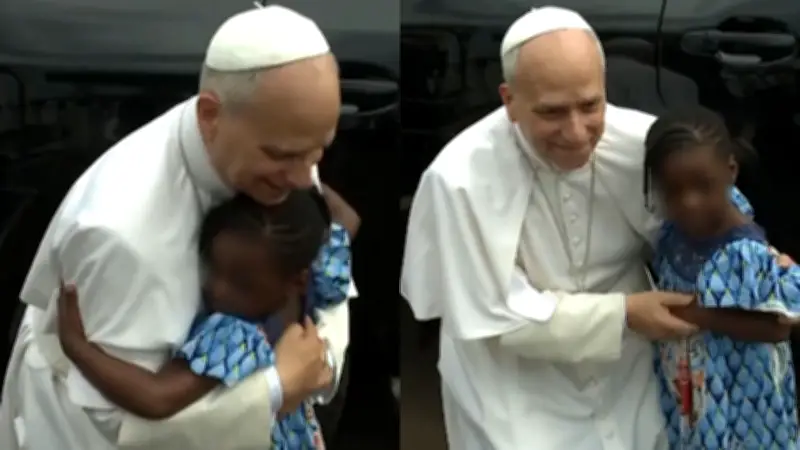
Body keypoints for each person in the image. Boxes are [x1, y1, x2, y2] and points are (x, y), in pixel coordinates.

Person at [400, 6, 792, 450]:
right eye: (552, 113)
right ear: (509, 102)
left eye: (590, 105)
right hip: (513, 378)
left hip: (627, 367)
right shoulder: (458, 179)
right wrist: (622, 314)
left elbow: (715, 214)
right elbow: (493, 316)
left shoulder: (640, 141)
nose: (577, 132)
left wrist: (761, 257)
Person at [0, 5, 357, 450]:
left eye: (318, 152)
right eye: (284, 155)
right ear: (210, 115)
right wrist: (275, 387)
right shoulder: (119, 233)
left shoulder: (282, 154)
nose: (307, 179)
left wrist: (314, 356)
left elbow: (326, 271)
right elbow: (127, 430)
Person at [56, 189, 355, 449]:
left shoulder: (233, 335)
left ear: (297, 280)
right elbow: (348, 218)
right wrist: (307, 185)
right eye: (212, 267)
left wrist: (78, 348)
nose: (216, 289)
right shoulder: (320, 277)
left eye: (241, 282)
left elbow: (155, 397)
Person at [646, 108, 799, 449]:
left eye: (703, 187)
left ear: (730, 172)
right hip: (693, 382)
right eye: (673, 191)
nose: (689, 203)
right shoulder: (674, 232)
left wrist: (692, 314)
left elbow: (777, 327)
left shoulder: (742, 250)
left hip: (741, 392)